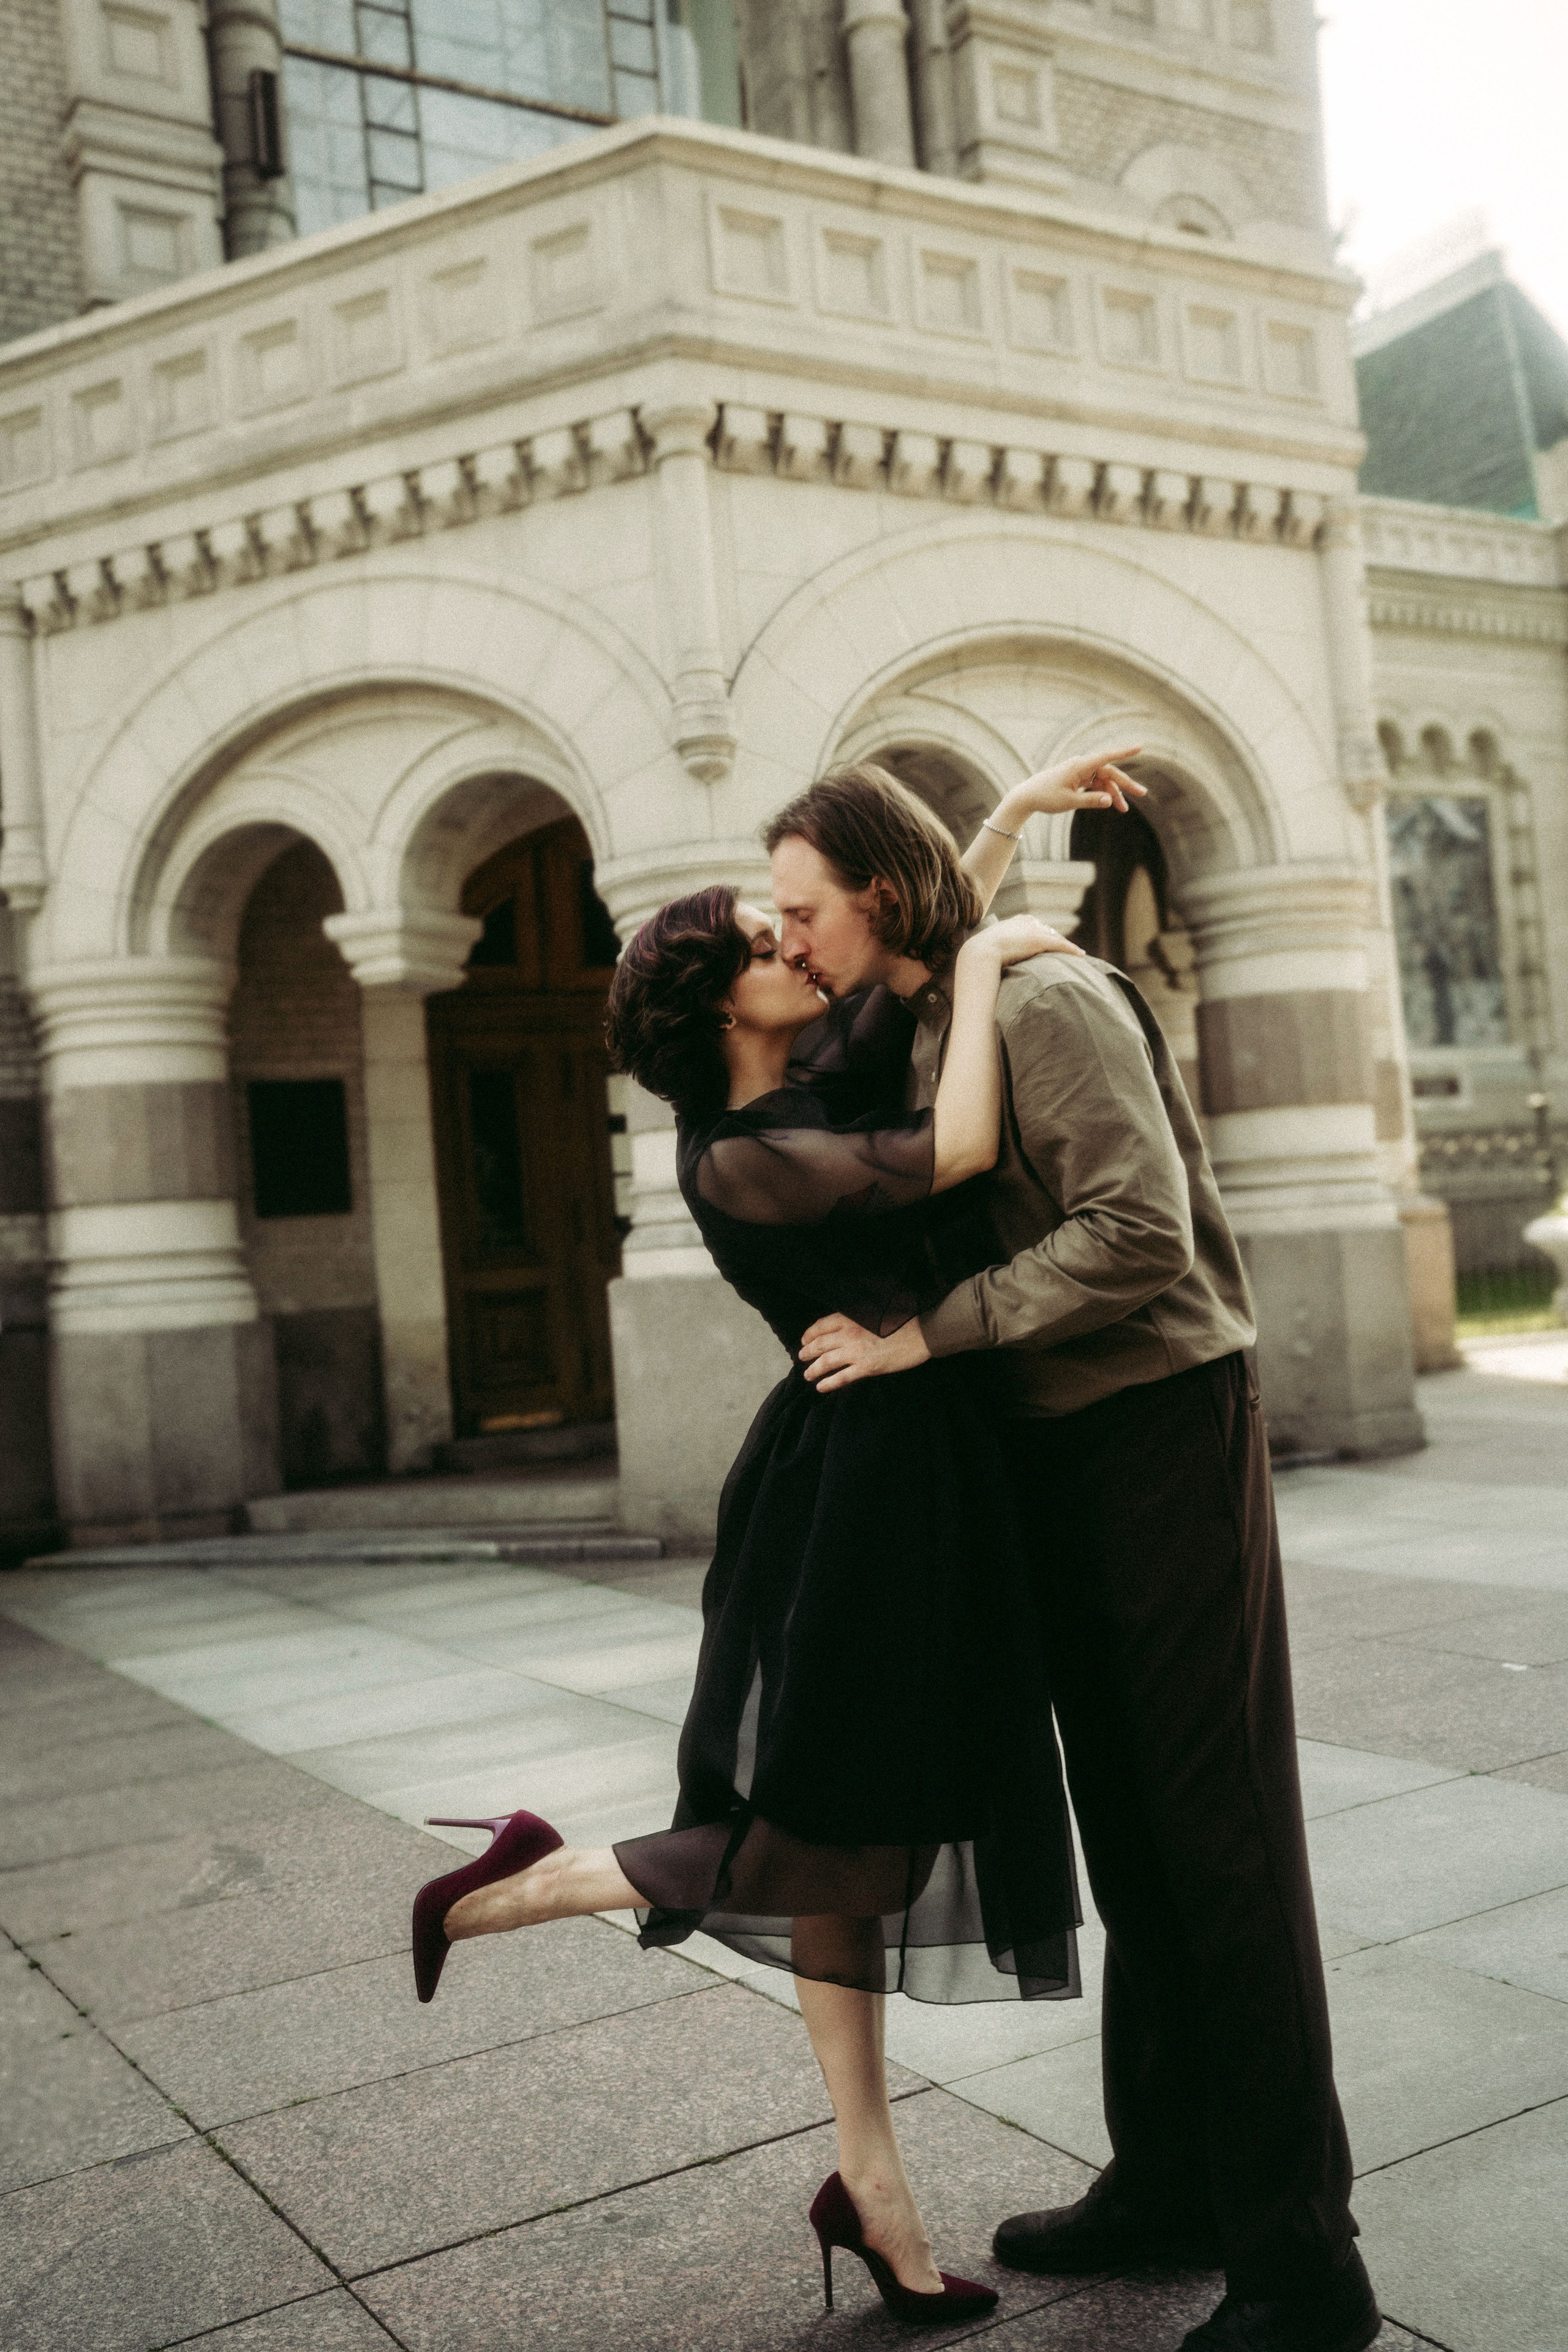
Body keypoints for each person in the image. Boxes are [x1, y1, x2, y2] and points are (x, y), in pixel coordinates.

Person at [409, 752, 1141, 2326]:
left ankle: (867, 2184)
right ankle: (514, 1886)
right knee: (822, 1826)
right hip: (860, 1492)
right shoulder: (742, 1151)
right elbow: (949, 1150)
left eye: (789, 931)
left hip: (911, 1464)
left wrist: (1005, 825)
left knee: (849, 1842)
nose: (795, 951)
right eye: (765, 944)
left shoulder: (808, 1074)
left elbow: (910, 931)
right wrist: (1003, 952)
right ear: (722, 1012)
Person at [769, 761, 1380, 2352]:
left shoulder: (1048, 1004)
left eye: (802, 909)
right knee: (1135, 1826)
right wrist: (1002, 823)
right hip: (1059, 1447)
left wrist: (926, 1338)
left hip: (1163, 1425)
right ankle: (1173, 2176)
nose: (789, 938)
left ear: (877, 905)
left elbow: (1139, 1232)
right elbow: (928, 934)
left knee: (1217, 1836)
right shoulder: (935, 1002)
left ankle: (1304, 2265)